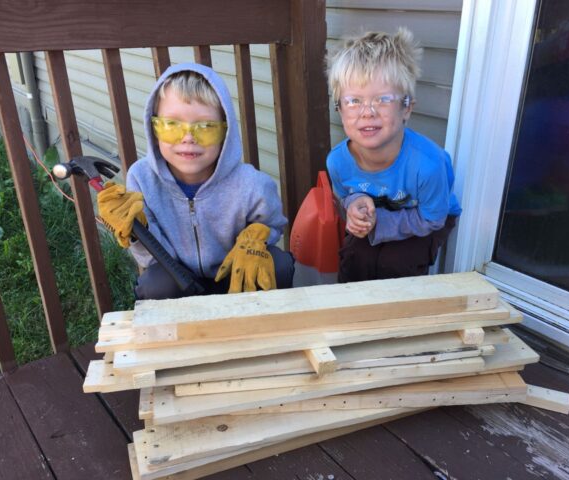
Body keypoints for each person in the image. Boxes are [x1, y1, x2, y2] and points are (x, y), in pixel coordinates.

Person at [97, 62, 294, 299]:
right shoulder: (142, 178)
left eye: (206, 127)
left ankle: (263, 327)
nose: (188, 138)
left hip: (236, 277)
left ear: (225, 132)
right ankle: (175, 334)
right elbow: (150, 258)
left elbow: (273, 225)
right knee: (155, 284)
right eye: (172, 125)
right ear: (155, 128)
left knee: (279, 264)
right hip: (178, 280)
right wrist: (139, 232)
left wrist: (257, 236)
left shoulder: (252, 184)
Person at [326, 29, 462, 282]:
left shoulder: (429, 165)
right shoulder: (337, 161)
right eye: (354, 100)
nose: (367, 112)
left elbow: (432, 219)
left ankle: (403, 319)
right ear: (339, 108)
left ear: (406, 108)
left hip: (428, 216)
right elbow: (346, 196)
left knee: (396, 264)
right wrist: (354, 204)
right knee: (355, 259)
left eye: (383, 99)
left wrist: (381, 225)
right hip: (380, 214)